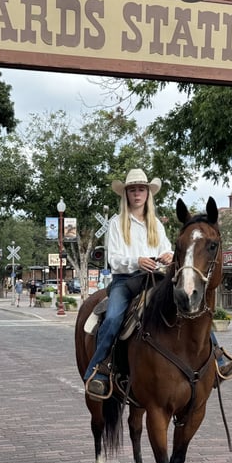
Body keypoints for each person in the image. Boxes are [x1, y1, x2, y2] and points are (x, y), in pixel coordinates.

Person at [83, 168, 174, 399]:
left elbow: (166, 248)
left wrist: (168, 256)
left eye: (141, 189)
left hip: (155, 279)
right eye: (132, 190)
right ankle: (99, 369)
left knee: (185, 303)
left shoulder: (156, 224)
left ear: (147, 194)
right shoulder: (116, 224)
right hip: (125, 281)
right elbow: (112, 259)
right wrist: (136, 261)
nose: (137, 194)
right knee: (113, 317)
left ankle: (216, 356)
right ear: (126, 194)